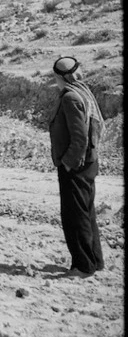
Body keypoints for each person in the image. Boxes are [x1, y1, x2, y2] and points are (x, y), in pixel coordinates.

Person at [49, 56, 105, 278]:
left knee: (75, 217)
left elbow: (79, 138)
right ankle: (95, 261)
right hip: (88, 163)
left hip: (77, 166)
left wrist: (68, 164)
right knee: (86, 213)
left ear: (60, 77)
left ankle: (82, 266)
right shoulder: (82, 91)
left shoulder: (71, 97)